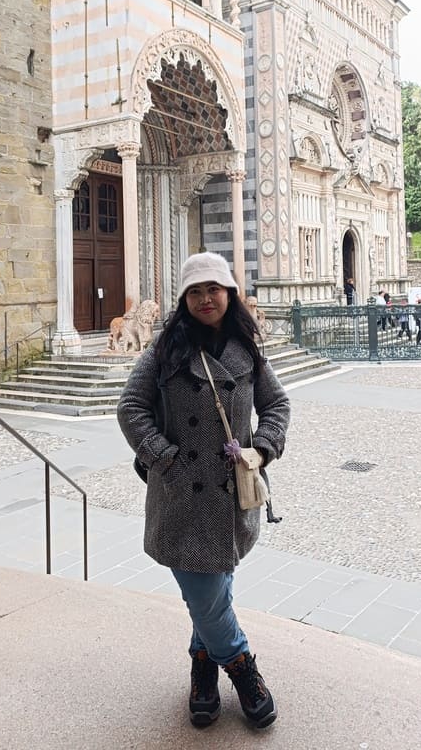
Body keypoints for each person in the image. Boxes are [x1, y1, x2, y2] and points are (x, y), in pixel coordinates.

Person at [117, 252, 290, 730]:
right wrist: (164, 457)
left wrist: (263, 448)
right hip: (181, 497)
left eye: (213, 289)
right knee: (208, 595)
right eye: (194, 292)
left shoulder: (247, 348)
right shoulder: (164, 349)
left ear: (229, 293)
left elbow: (276, 404)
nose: (205, 299)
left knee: (210, 592)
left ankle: (202, 666)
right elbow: (130, 407)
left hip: (232, 495)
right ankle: (242, 667)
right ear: (183, 300)